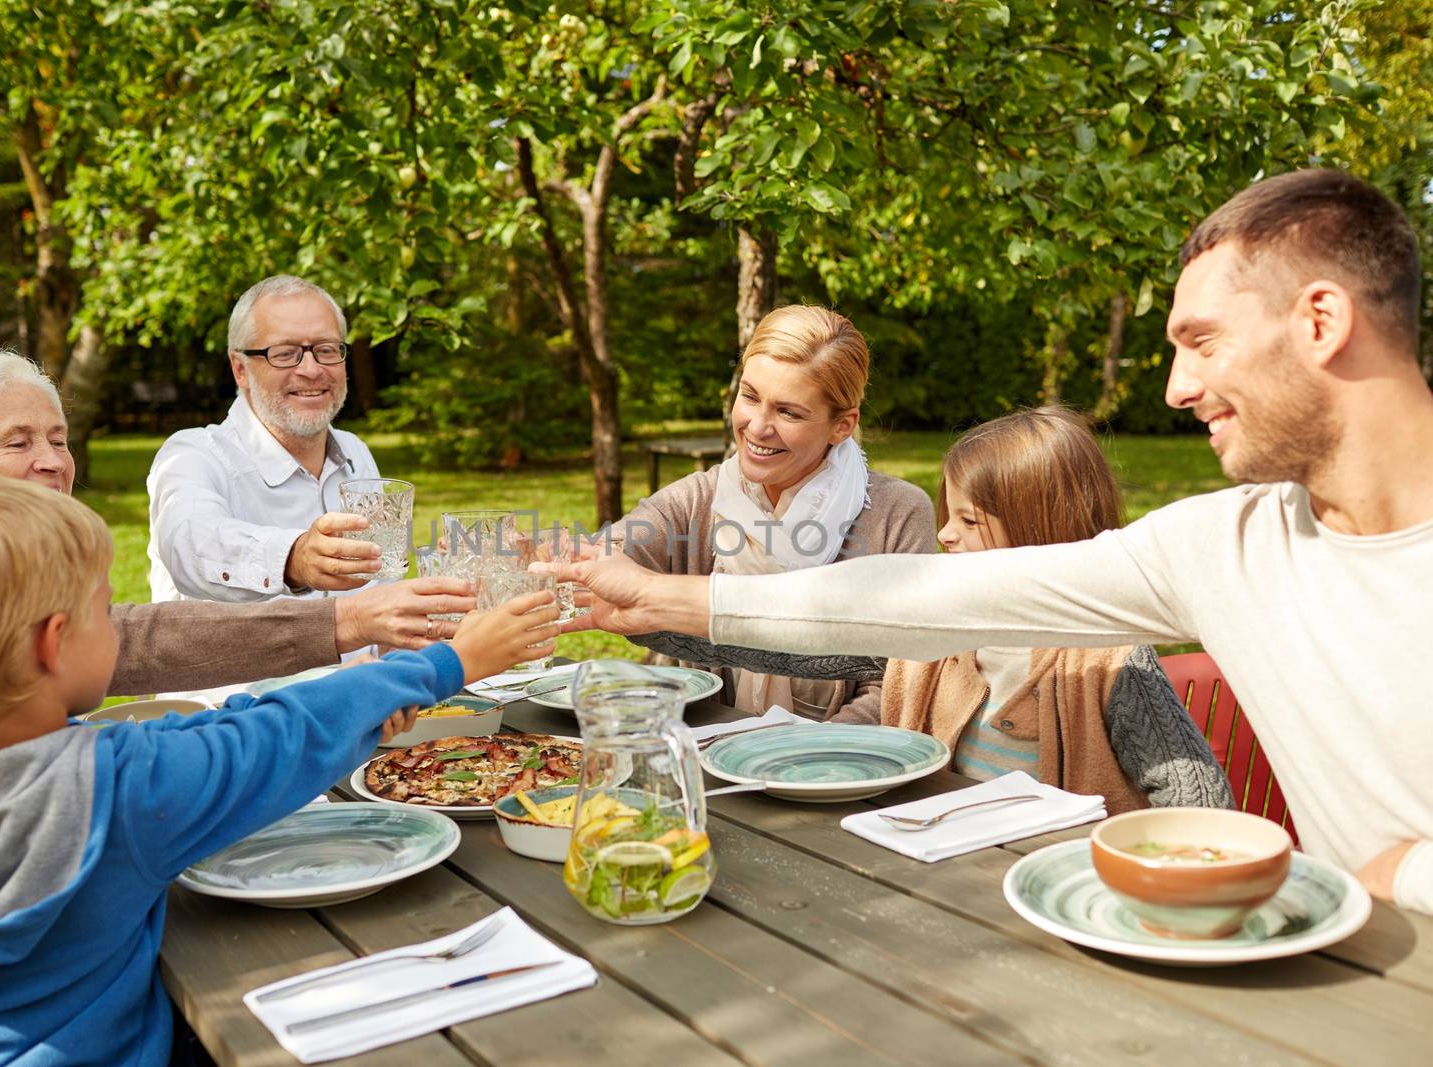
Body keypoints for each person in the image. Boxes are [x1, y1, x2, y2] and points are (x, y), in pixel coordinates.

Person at [549, 169, 1433, 912]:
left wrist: (1404, 872)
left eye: (1201, 342)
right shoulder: (1219, 546)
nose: (1175, 387)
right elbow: (913, 605)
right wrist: (652, 599)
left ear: (1321, 321)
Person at [0, 474, 558, 1065]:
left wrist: (369, 699)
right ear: (53, 643)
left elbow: (187, 741)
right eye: (106, 610)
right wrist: (449, 664)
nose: (116, 625)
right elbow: (276, 739)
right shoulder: (119, 789)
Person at [0, 350, 472, 927]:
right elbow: (140, 645)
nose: (53, 460)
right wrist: (358, 629)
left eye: (58, 437)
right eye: (18, 442)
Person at [837, 406, 1231, 812]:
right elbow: (828, 655)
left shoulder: (1112, 658)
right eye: (949, 514)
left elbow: (1203, 800)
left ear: (1037, 531)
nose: (944, 534)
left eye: (968, 521)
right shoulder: (933, 630)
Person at [615, 305, 934, 720]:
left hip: (843, 770)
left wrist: (795, 761)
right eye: (749, 397)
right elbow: (616, 550)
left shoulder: (900, 514)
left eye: (788, 412)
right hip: (713, 760)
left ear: (842, 425)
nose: (757, 426)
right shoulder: (702, 498)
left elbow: (897, 685)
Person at [148, 274, 392, 603]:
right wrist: (294, 558)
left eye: (325, 349)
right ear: (240, 369)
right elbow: (189, 545)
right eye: (285, 353)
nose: (311, 369)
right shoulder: (194, 455)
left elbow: (379, 589)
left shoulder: (355, 452)